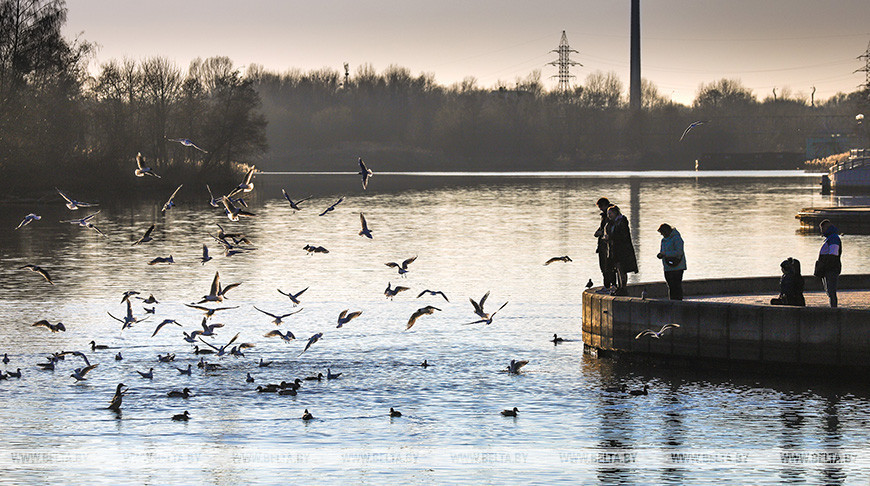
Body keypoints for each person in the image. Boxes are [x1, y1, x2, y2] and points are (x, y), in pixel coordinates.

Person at [604, 205, 638, 295]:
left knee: (622, 269)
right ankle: (619, 287)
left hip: (622, 250)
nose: (609, 215)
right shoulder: (610, 223)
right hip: (614, 250)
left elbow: (622, 235)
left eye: (610, 213)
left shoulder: (622, 222)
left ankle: (623, 288)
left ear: (615, 213)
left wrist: (610, 237)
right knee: (617, 269)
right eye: (608, 214)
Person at [814, 219, 842, 307]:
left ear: (826, 227)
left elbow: (833, 253)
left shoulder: (833, 238)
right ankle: (833, 307)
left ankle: (834, 309)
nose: (821, 231)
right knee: (829, 291)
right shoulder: (830, 238)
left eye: (822, 228)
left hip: (831, 269)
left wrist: (824, 266)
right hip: (829, 268)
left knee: (831, 291)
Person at [656, 223, 686, 300]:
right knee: (670, 286)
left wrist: (665, 254)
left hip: (678, 266)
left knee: (677, 286)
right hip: (667, 267)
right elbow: (662, 252)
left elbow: (679, 252)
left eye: (662, 233)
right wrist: (661, 255)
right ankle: (672, 302)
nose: (662, 235)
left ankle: (678, 303)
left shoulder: (677, 238)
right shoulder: (663, 241)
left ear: (667, 231)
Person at [593, 197, 616, 288]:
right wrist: (598, 232)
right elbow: (603, 227)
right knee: (606, 267)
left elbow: (610, 229)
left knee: (607, 267)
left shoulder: (610, 216)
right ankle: (610, 286)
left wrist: (601, 233)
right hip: (603, 245)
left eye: (601, 207)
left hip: (607, 245)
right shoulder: (605, 216)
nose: (600, 209)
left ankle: (609, 286)